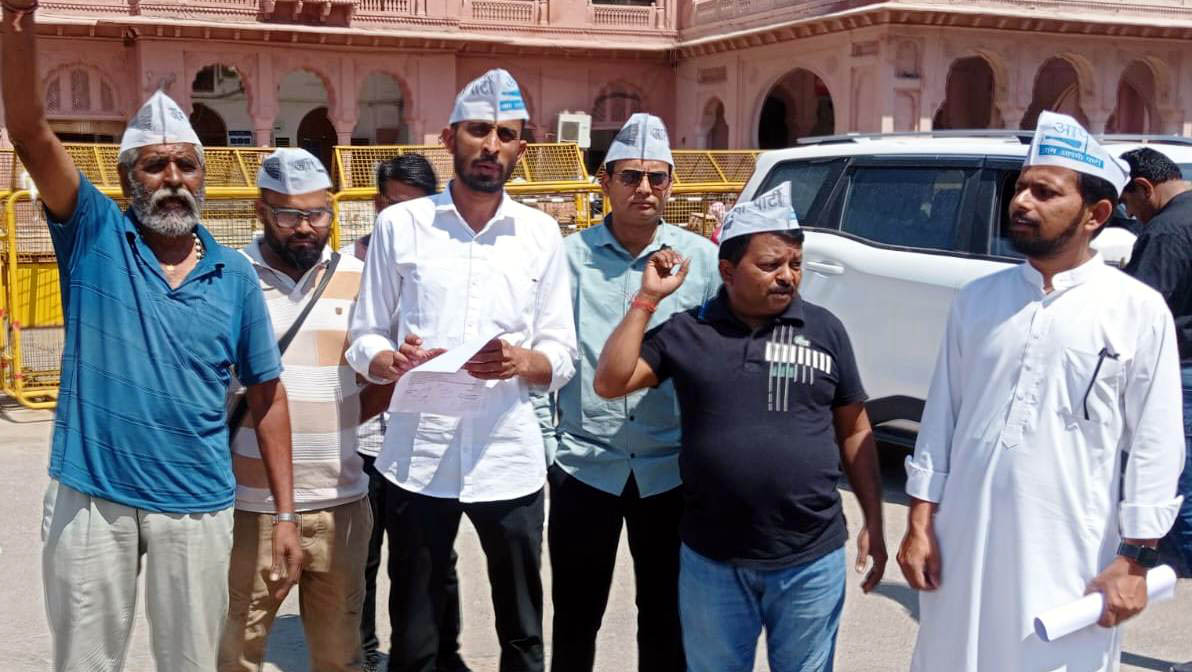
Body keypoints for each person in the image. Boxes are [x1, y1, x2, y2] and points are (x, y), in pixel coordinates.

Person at [2, 9, 301, 671]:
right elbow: (27, 131)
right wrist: (17, 19)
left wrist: (286, 514)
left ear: (203, 176)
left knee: (190, 664)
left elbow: (268, 395)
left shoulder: (235, 277)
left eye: (186, 165)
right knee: (85, 663)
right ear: (125, 178)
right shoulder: (94, 235)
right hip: (92, 499)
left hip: (196, 506)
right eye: (155, 164)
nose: (172, 177)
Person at [898, 112, 1185, 672]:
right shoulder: (978, 300)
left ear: (1095, 215)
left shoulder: (1135, 309)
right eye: (1021, 189)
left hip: (1071, 550)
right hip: (961, 544)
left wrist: (1135, 560)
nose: (1021, 202)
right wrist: (919, 522)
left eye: (1045, 192)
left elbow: (1156, 443)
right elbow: (941, 419)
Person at [593, 183, 887, 672]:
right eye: (770, 265)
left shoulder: (825, 330)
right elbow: (611, 381)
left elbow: (854, 429)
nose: (787, 276)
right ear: (728, 271)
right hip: (713, 561)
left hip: (810, 559)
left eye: (795, 264)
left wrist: (874, 520)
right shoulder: (689, 331)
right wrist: (647, 299)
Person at [346, 68, 577, 672]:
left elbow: (562, 351)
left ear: (521, 147)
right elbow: (363, 335)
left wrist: (524, 361)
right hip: (417, 459)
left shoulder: (540, 234)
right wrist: (387, 361)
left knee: (522, 630)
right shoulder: (401, 225)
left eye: (506, 134)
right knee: (416, 630)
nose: (491, 146)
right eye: (478, 130)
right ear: (449, 138)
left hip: (507, 457)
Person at [543, 112, 718, 672]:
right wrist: (549, 448)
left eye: (656, 177)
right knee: (576, 615)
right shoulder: (568, 258)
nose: (644, 188)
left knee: (666, 618)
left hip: (670, 469)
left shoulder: (701, 261)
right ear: (604, 182)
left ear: (671, 184)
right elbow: (544, 353)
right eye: (629, 176)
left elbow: (721, 358)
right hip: (584, 463)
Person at [217, 148, 379, 671]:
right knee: (236, 652)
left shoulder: (359, 276)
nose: (305, 227)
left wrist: (337, 425)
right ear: (260, 210)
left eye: (317, 213)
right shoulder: (228, 275)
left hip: (341, 502)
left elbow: (377, 382)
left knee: (341, 657)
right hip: (250, 508)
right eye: (288, 214)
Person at [351, 154, 470, 672]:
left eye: (417, 206)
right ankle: (361, 651)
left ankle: (444, 653)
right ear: (378, 204)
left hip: (425, 438)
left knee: (432, 557)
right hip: (364, 438)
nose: (405, 218)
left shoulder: (449, 263)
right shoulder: (346, 266)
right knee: (362, 555)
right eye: (395, 204)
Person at [1120, 147, 1192, 579]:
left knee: (1177, 484)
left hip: (1180, 373)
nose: (1130, 215)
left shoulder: (1165, 231)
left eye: (1128, 203)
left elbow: (1142, 309)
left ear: (1145, 187)